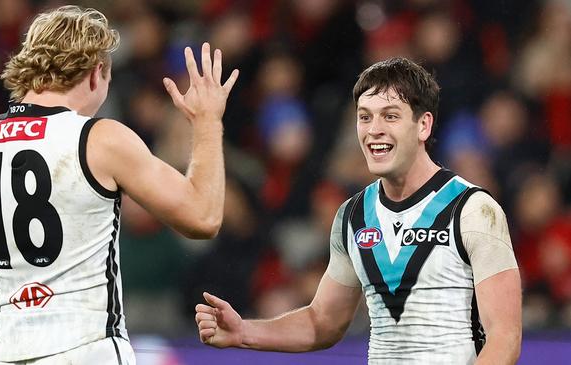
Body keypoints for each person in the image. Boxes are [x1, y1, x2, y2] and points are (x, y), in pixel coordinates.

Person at [0, 6, 238, 365]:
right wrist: (207, 122)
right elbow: (204, 217)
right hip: (87, 348)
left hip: (8, 352)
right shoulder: (99, 139)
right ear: (95, 73)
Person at [195, 57, 521, 364]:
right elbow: (322, 322)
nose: (373, 129)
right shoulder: (353, 216)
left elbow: (504, 337)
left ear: (423, 125)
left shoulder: (473, 210)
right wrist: (243, 331)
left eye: (390, 116)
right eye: (365, 116)